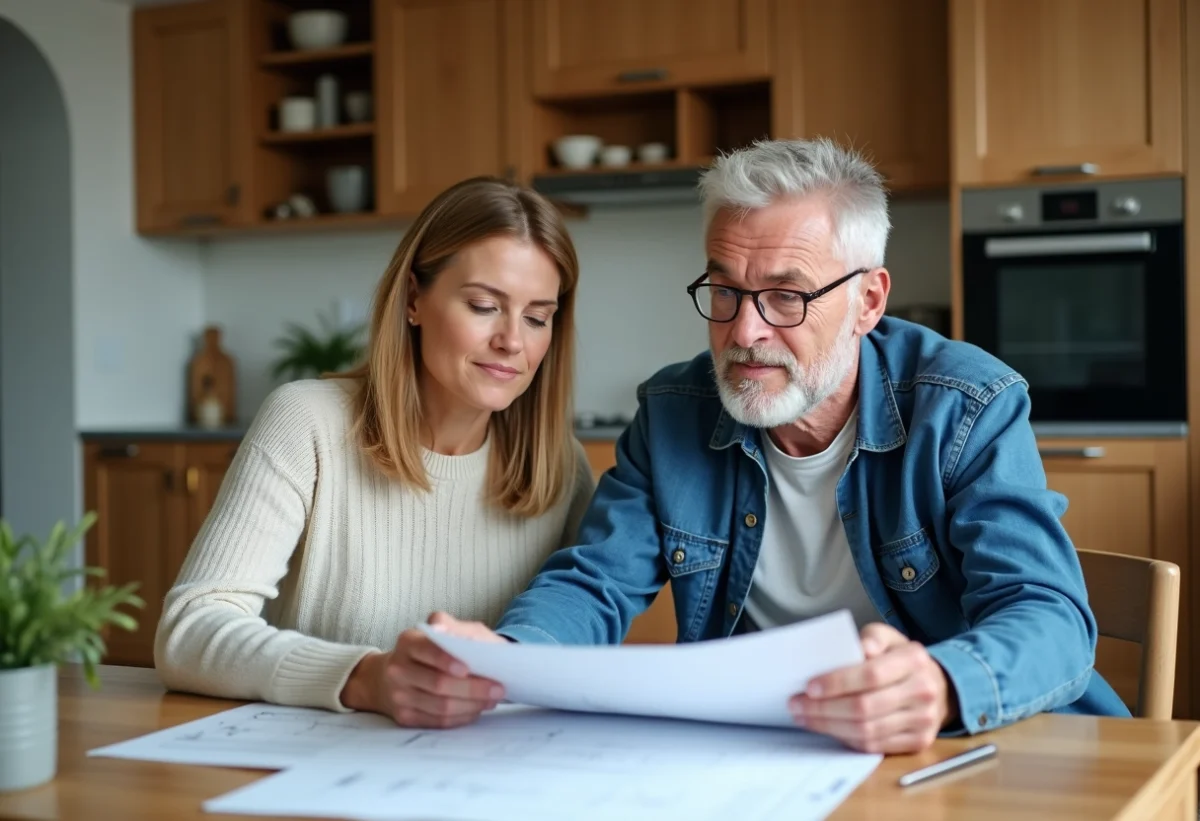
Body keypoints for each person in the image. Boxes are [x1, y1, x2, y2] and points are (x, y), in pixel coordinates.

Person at [425, 139, 1132, 753]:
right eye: (725, 291)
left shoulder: (965, 406)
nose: (744, 332)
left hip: (973, 750)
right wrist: (510, 659)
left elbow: (1049, 616)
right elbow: (594, 583)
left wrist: (941, 683)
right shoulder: (673, 413)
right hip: (767, 758)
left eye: (786, 296)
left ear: (869, 301)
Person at [155, 176, 595, 729]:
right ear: (414, 299)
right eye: (484, 306)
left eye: (537, 317)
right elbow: (190, 630)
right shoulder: (307, 423)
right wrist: (364, 677)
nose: (513, 340)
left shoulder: (561, 467)